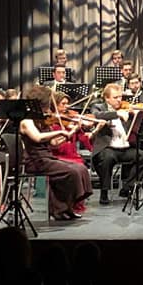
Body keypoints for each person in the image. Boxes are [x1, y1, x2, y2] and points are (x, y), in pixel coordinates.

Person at [19, 85, 91, 220]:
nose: (49, 109)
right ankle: (59, 209)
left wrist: (70, 133)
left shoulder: (42, 120)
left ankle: (67, 207)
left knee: (80, 168)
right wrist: (59, 131)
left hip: (47, 157)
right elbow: (37, 137)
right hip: (35, 161)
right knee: (71, 172)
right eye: (47, 106)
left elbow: (53, 143)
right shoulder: (26, 121)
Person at [89, 83, 143, 205]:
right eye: (115, 97)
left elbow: (139, 132)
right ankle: (104, 191)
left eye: (120, 97)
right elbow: (96, 116)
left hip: (124, 148)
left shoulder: (126, 109)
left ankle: (128, 187)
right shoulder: (98, 107)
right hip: (107, 148)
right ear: (107, 98)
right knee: (107, 157)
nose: (119, 100)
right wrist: (116, 114)